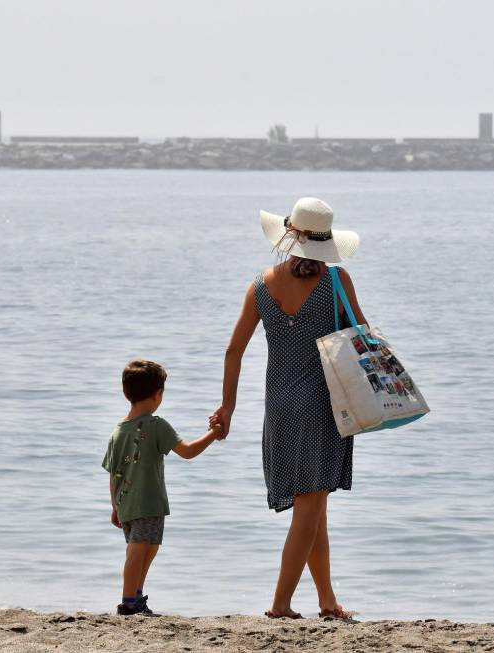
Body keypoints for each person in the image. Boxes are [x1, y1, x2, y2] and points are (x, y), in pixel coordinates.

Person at [213, 197, 367, 620]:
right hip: (322, 404)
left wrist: (228, 407)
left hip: (278, 406)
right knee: (310, 507)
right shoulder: (336, 282)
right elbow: (362, 337)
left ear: (288, 237)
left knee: (313, 507)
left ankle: (326, 600)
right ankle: (280, 604)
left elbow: (233, 350)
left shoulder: (261, 286)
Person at [102, 358, 223, 615]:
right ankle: (128, 602)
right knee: (138, 550)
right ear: (158, 394)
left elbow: (113, 476)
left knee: (148, 546)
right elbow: (188, 451)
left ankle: (135, 595)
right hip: (147, 501)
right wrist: (214, 433)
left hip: (127, 502)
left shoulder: (117, 431)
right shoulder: (156, 425)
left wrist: (115, 507)